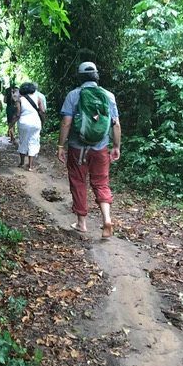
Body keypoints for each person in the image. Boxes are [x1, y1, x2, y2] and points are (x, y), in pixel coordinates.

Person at [57, 62, 121, 239]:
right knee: (101, 183)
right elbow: (116, 124)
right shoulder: (108, 96)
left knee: (78, 182)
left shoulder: (74, 95)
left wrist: (61, 145)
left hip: (78, 148)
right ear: (96, 76)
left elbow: (66, 122)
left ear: (79, 77)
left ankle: (81, 223)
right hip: (101, 147)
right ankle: (107, 219)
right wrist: (116, 146)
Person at [9, 82, 45, 172]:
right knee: (33, 141)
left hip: (24, 123)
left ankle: (21, 163)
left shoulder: (20, 100)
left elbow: (17, 114)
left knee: (23, 141)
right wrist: (42, 122)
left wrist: (11, 125)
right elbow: (43, 112)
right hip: (35, 123)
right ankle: (31, 166)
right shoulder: (38, 98)